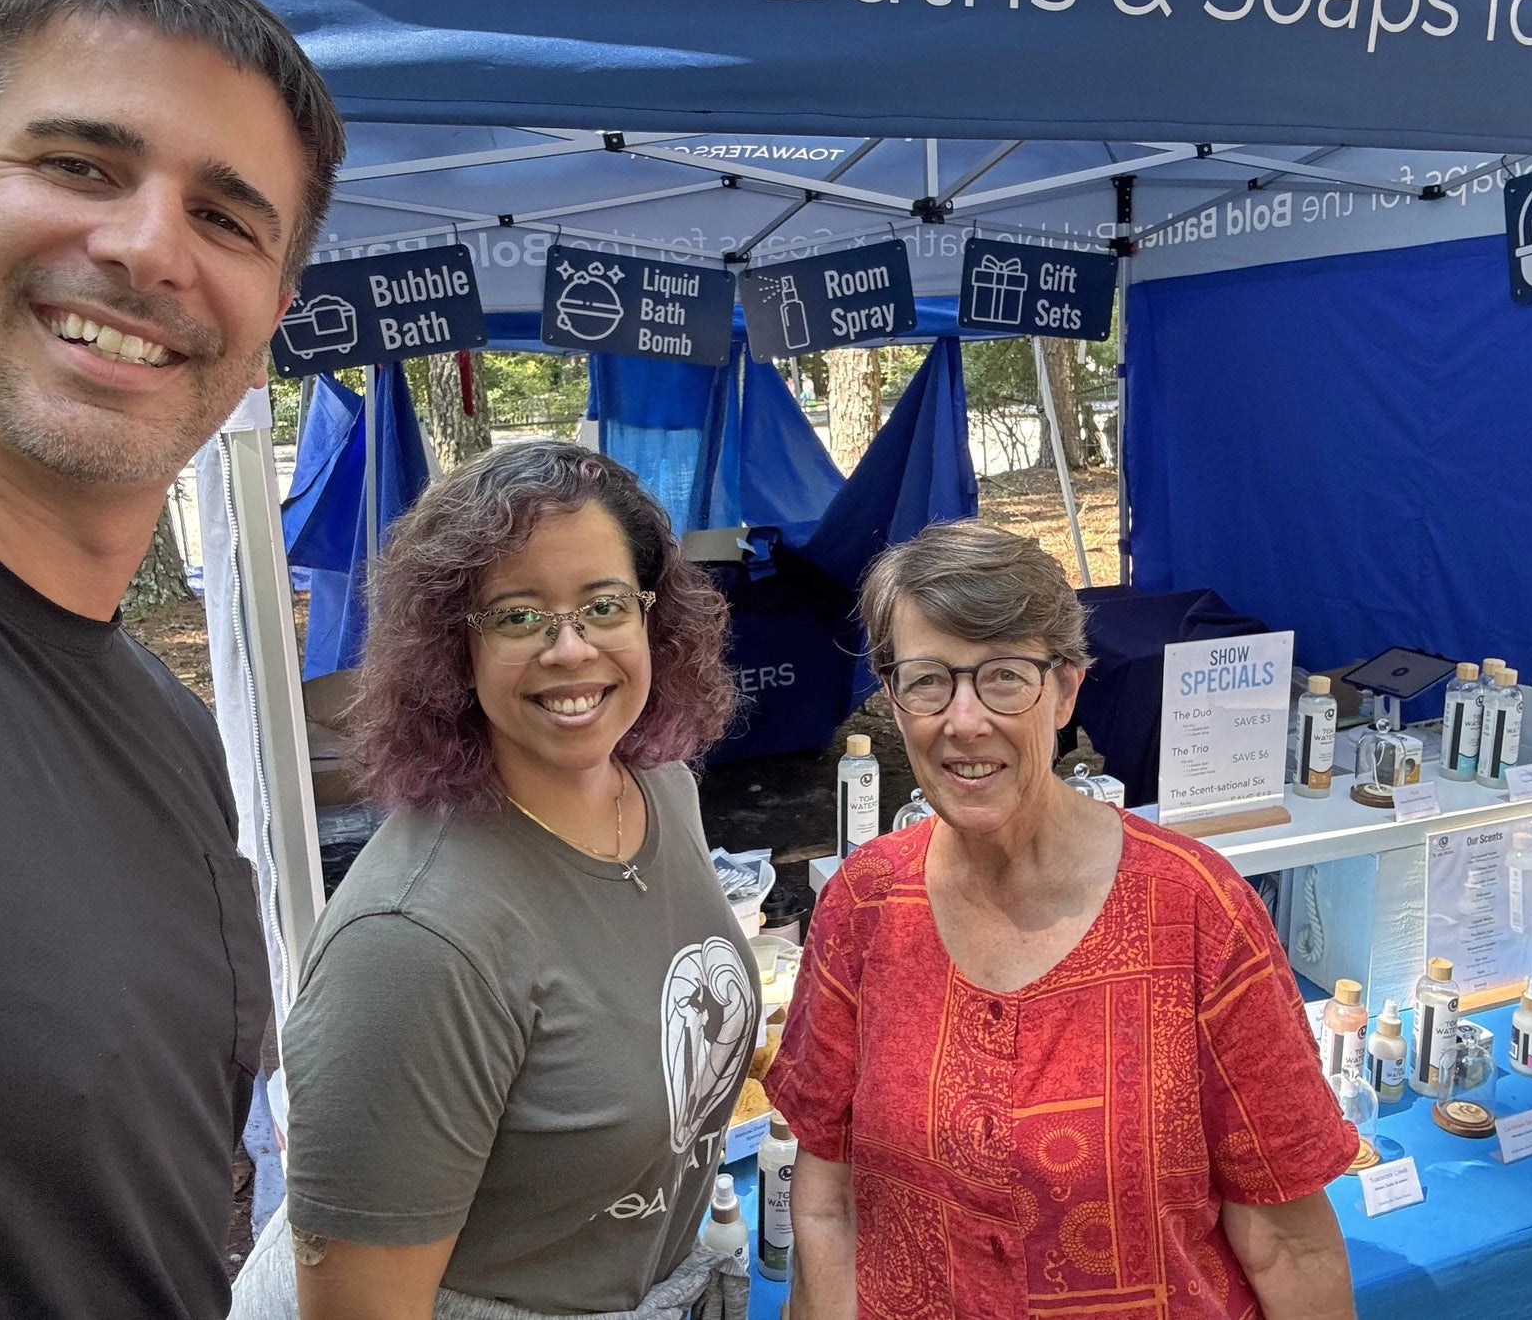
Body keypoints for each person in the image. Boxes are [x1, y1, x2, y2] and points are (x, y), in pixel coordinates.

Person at [0, 0, 343, 1319]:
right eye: (83, 164)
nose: (150, 247)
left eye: (225, 216)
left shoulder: (172, 734)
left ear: (265, 330)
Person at [766, 521, 1358, 1320]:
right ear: (892, 696)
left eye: (1005, 677)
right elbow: (827, 1201)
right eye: (929, 679)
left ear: (1068, 689)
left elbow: (1289, 1240)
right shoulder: (864, 905)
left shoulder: (1196, 912)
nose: (964, 720)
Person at [230, 441, 755, 1320]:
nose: (569, 648)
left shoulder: (661, 787)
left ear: (652, 619)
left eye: (604, 604)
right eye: (517, 616)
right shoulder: (411, 944)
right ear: (451, 651)